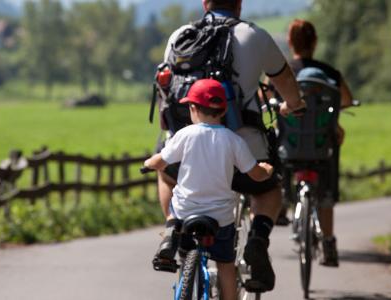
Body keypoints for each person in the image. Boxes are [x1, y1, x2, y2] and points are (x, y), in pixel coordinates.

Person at [153, 0, 306, 293]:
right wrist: (294, 105)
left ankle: (173, 226)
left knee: (166, 175)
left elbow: (169, 92)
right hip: (241, 148)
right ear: (239, 4)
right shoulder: (254, 36)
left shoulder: (180, 36)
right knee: (268, 188)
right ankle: (258, 240)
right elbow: (285, 80)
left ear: (205, 3)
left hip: (185, 153)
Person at [145, 78, 275, 300]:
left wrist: (147, 164)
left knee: (176, 218)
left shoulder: (184, 135)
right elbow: (255, 174)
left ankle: (170, 238)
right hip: (221, 218)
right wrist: (266, 170)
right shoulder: (233, 140)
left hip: (186, 213)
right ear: (224, 110)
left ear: (193, 108)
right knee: (225, 265)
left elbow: (161, 162)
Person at [284, 19, 356, 267]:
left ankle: (282, 199)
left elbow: (268, 99)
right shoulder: (330, 73)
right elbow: (346, 99)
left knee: (274, 141)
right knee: (325, 184)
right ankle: (328, 243)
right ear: (315, 42)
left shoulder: (284, 71)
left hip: (290, 147)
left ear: (289, 41)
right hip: (321, 146)